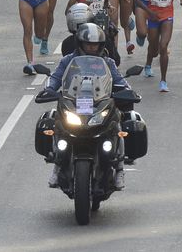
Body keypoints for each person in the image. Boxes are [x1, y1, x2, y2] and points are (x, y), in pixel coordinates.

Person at [45, 23, 132, 189]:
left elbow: (119, 80)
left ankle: (120, 169)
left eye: (96, 44)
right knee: (57, 122)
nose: (92, 47)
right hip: (73, 102)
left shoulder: (108, 62)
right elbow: (56, 77)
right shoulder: (68, 60)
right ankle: (57, 166)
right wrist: (49, 89)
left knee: (117, 124)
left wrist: (127, 91)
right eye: (88, 44)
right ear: (80, 43)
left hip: (100, 103)